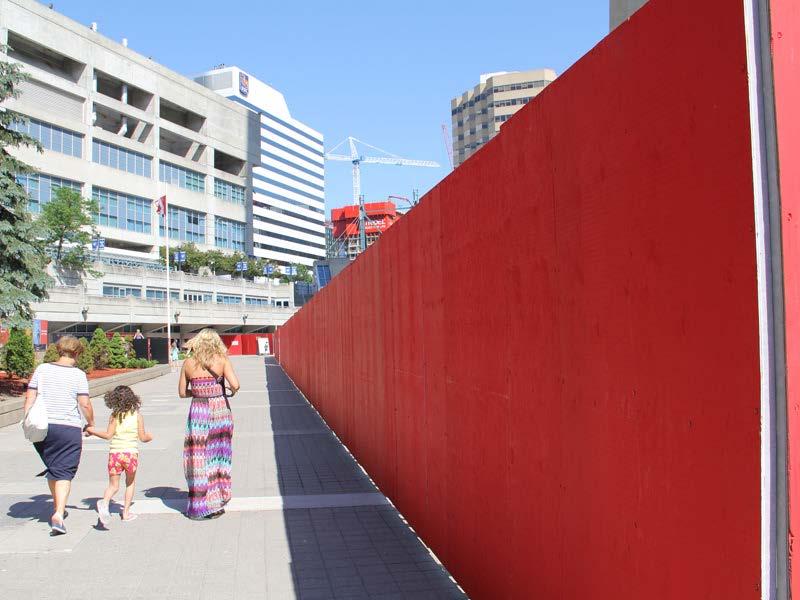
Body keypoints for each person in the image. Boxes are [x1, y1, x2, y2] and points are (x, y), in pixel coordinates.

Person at [23, 336, 94, 535]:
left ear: (58, 350)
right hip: (68, 427)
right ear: (77, 353)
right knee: (64, 471)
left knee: (54, 467)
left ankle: (57, 505)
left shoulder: (42, 369)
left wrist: (27, 418)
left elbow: (30, 396)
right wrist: (90, 423)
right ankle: (59, 513)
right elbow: (85, 403)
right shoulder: (78, 375)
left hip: (43, 426)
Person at [179, 329, 239, 520]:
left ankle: (198, 506)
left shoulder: (188, 363)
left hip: (198, 412)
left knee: (197, 456)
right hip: (219, 410)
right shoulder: (222, 360)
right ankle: (216, 501)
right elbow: (235, 385)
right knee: (218, 456)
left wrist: (199, 392)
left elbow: (182, 392)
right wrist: (227, 391)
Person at [86, 386, 153, 524]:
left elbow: (108, 435)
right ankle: (126, 513)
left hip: (115, 454)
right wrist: (149, 437)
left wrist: (92, 431)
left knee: (113, 486)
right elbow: (142, 437)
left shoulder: (114, 416)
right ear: (132, 398)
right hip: (130, 454)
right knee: (130, 483)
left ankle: (104, 502)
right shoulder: (137, 416)